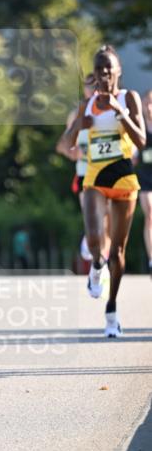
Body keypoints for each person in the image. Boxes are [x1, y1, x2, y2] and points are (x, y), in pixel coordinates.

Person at [64, 45, 145, 337]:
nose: (105, 73)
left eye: (109, 68)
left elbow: (142, 140)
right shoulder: (86, 105)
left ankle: (111, 310)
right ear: (95, 74)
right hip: (95, 178)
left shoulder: (129, 98)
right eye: (100, 69)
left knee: (119, 251)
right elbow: (69, 142)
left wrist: (119, 111)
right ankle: (97, 264)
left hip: (123, 178)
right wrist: (79, 127)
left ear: (118, 71)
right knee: (96, 236)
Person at [56, 73, 111, 268]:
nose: (93, 91)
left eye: (97, 86)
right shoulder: (77, 113)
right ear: (84, 89)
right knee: (92, 216)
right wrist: (74, 152)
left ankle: (101, 259)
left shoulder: (109, 111)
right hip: (84, 173)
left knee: (106, 219)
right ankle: (93, 248)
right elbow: (62, 145)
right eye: (89, 87)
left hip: (107, 172)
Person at [134, 88, 152, 276]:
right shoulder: (139, 128)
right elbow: (133, 153)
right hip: (146, 181)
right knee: (150, 214)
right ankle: (151, 259)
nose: (148, 107)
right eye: (146, 103)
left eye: (151, 103)